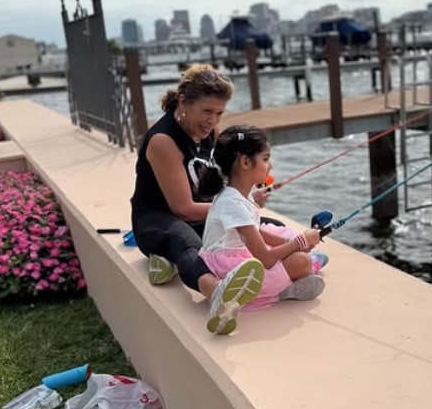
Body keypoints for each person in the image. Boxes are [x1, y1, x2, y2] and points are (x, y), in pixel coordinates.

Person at [130, 64, 265, 336]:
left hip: (198, 215)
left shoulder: (210, 134)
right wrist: (237, 208)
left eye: (219, 113)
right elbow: (184, 209)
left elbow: (221, 188)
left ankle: (293, 266)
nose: (212, 121)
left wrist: (248, 199)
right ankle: (217, 294)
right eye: (206, 111)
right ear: (183, 102)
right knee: (186, 242)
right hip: (158, 219)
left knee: (259, 224)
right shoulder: (163, 140)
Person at [198, 124, 327, 316]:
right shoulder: (233, 203)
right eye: (266, 159)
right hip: (232, 269)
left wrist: (291, 243)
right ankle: (290, 283)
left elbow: (255, 233)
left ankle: (299, 273)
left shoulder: (238, 194)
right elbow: (265, 259)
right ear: (245, 162)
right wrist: (301, 243)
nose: (270, 165)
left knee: (288, 238)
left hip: (238, 255)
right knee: (301, 261)